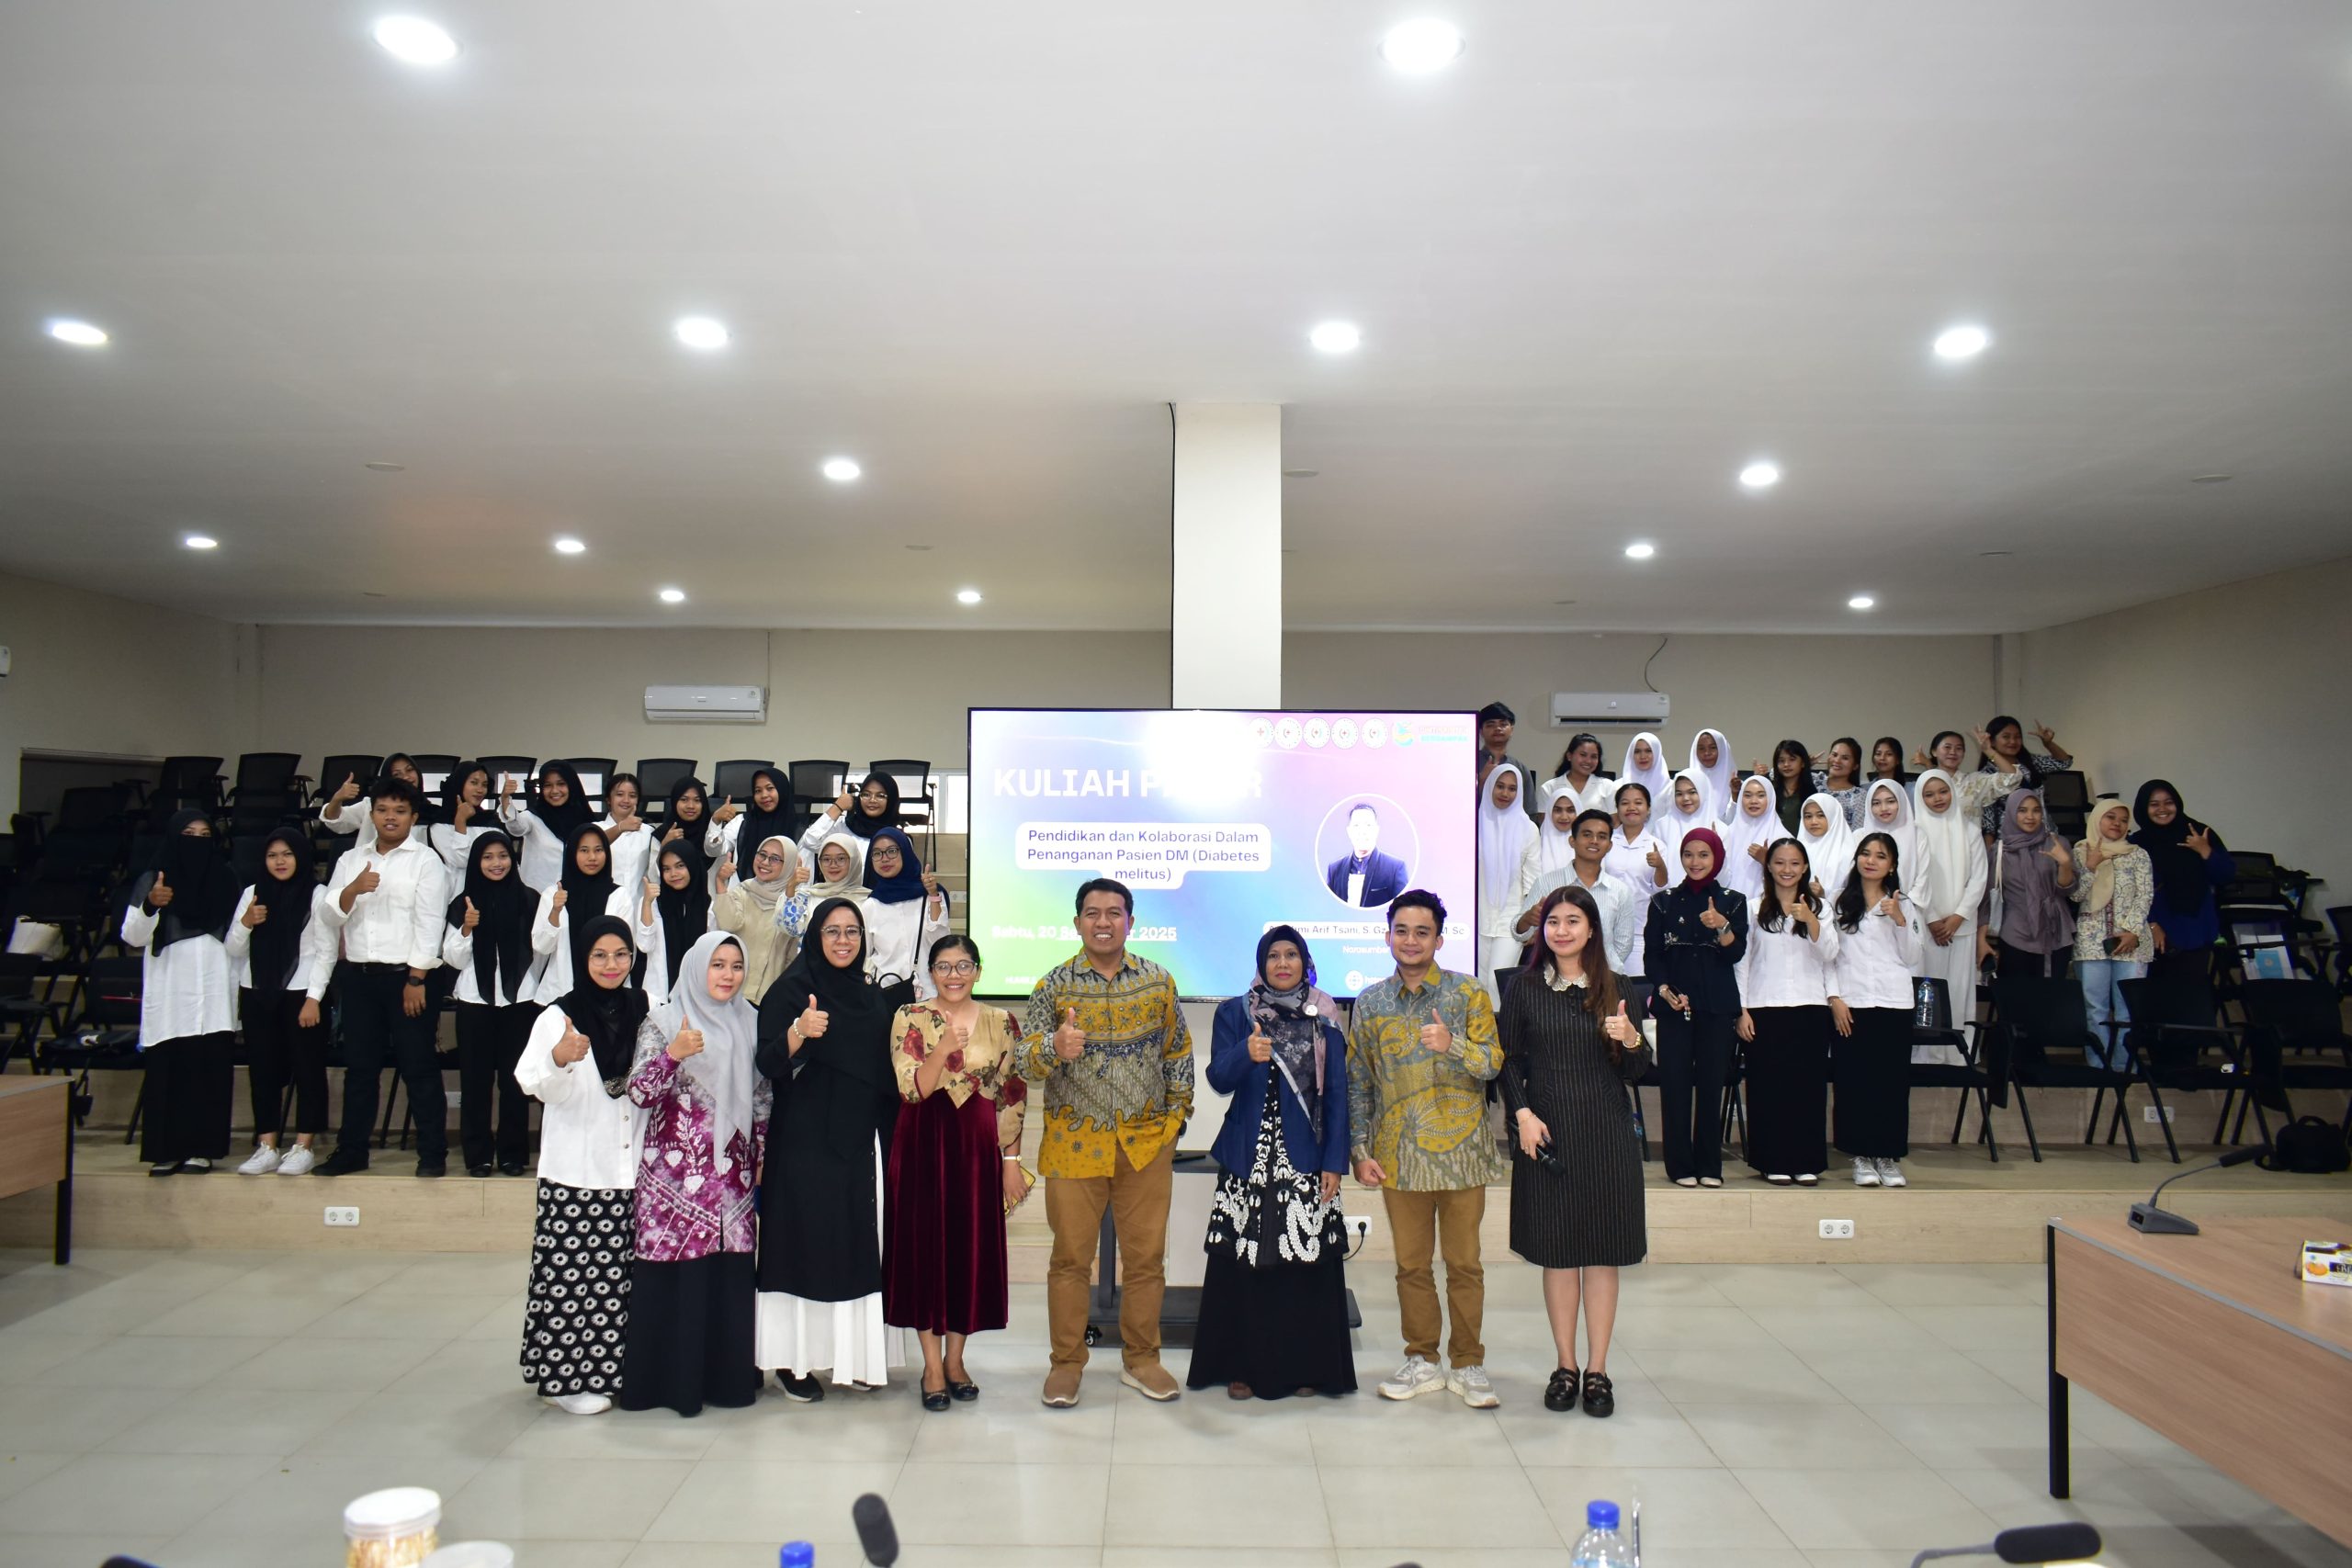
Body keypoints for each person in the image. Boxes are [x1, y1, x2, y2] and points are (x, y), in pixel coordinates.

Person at [1019, 878, 1193, 1407]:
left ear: (1130, 922)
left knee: (1146, 1261)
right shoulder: (1053, 986)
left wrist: (1175, 1120)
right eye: (1092, 913)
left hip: (1146, 1145)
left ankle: (1142, 1359)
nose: (1103, 922)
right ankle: (1066, 1364)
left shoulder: (1158, 981)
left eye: (1114, 913)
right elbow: (1025, 1063)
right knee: (1071, 1260)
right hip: (1074, 1146)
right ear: (1077, 923)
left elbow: (1178, 1053)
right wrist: (1054, 1046)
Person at [1347, 889, 1505, 1409]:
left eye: (1422, 932)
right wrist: (1359, 1149)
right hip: (1398, 1159)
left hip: (1462, 1158)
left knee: (1465, 1266)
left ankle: (1468, 1363)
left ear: (1439, 939)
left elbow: (1493, 1064)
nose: (1410, 940)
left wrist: (1451, 1044)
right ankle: (1422, 1360)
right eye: (1402, 931)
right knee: (1411, 1268)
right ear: (1388, 936)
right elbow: (1359, 1082)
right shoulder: (1370, 1002)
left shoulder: (1468, 993)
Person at [1500, 885, 1652, 1417]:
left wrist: (1630, 1037)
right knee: (1559, 1253)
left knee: (1602, 1252)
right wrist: (1522, 1114)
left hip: (1606, 1134)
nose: (1561, 931)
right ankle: (1565, 1366)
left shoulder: (1618, 986)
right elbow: (1507, 1060)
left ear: (1591, 929)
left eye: (1572, 921)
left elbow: (1639, 1069)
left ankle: (1598, 1370)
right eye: (1553, 922)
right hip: (1547, 1133)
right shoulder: (1524, 988)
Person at [1190, 927, 1355, 1401]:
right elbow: (1219, 1078)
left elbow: (1337, 1093)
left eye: (1292, 955)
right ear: (1261, 963)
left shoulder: (1325, 1015)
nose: (1282, 963)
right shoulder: (1235, 1013)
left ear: (1305, 962)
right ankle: (1242, 1367)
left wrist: (1334, 1162)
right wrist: (1246, 1054)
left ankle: (1305, 1368)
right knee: (1244, 1266)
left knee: (1304, 1267)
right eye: (1274, 956)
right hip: (1249, 1157)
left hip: (1306, 1157)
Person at [754, 897, 910, 1397]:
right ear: (815, 936)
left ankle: (854, 1358)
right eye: (832, 931)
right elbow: (767, 1064)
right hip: (805, 1143)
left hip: (861, 1142)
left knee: (856, 1248)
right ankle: (793, 1363)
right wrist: (798, 1033)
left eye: (852, 931)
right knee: (803, 1247)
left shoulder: (871, 996)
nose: (844, 941)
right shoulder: (790, 991)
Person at [621, 931, 769, 1416]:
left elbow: (762, 1095)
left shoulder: (751, 1021)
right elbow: (639, 1092)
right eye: (717, 965)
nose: (728, 975)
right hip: (673, 1179)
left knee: (727, 1281)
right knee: (678, 1282)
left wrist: (762, 1150)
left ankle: (727, 1383)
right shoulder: (664, 1021)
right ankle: (670, 1387)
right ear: (696, 967)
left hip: (732, 1181)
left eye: (736, 966)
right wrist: (675, 1053)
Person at [885, 935, 1031, 1410]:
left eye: (963, 965)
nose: (954, 975)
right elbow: (912, 1090)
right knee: (924, 1250)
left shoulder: (1001, 1020)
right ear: (931, 972)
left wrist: (1011, 1162)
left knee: (967, 1249)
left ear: (978, 971)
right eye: (944, 966)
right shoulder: (909, 1016)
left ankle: (956, 1360)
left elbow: (1012, 1095)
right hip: (922, 1143)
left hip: (974, 1147)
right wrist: (943, 1047)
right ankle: (931, 1366)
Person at [514, 915, 646, 1416]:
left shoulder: (645, 1007)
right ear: (583, 958)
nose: (612, 965)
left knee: (622, 1282)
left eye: (621, 954)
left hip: (633, 1168)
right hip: (578, 1169)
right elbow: (534, 1083)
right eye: (599, 955)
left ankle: (617, 1372)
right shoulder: (559, 1015)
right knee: (575, 1280)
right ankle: (567, 1380)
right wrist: (560, 1057)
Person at [317, 778, 452, 1177]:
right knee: (360, 1070)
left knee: (418, 1067)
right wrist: (352, 890)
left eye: (399, 811)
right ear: (372, 814)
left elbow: (430, 923)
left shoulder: (426, 861)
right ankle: (352, 1152)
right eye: (382, 810)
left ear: (413, 817)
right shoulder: (351, 859)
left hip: (407, 978)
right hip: (358, 977)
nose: (390, 817)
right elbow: (328, 915)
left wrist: (416, 980)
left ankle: (433, 1154)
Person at [122, 810, 240, 1177]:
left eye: (205, 835)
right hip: (171, 994)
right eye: (189, 833)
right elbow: (132, 936)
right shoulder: (154, 880)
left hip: (215, 993)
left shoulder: (226, 877)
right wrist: (151, 905)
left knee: (209, 1073)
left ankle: (202, 1151)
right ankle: (165, 1151)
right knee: (168, 1073)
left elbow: (237, 939)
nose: (197, 841)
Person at [224, 827, 334, 1176]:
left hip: (303, 994)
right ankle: (267, 1146)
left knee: (308, 1068)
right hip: (257, 991)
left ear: (300, 856)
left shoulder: (318, 894)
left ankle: (303, 1146)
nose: (280, 861)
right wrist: (246, 923)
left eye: (287, 854)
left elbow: (326, 953)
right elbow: (233, 948)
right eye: (272, 855)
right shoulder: (252, 893)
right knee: (263, 1071)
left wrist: (314, 999)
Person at [1643, 827, 1747, 1189]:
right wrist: (1663, 989)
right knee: (1674, 1086)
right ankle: (1680, 1167)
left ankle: (1710, 1166)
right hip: (1674, 1006)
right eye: (1689, 854)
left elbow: (1736, 953)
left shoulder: (1733, 901)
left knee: (1710, 1085)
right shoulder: (1663, 901)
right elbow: (1653, 955)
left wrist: (1722, 926)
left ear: (1717, 858)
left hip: (1717, 1007)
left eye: (1704, 854)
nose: (1695, 861)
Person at [1736, 840, 1838, 1185]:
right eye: (1779, 862)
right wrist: (1741, 1009)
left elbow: (1830, 953)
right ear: (1768, 866)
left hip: (1810, 1007)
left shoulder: (1820, 908)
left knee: (1807, 1089)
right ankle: (1772, 1160)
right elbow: (1742, 962)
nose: (1787, 869)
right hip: (1765, 1008)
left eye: (1795, 863)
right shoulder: (1753, 908)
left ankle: (1806, 1160)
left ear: (1805, 867)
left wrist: (1810, 920)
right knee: (1768, 1088)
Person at [443, 831, 544, 1176]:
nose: (496, 863)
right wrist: (466, 929)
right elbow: (453, 959)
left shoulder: (529, 899)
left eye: (502, 856)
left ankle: (513, 1154)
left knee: (515, 1081)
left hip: (521, 999)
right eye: (487, 857)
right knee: (475, 1080)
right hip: (475, 1000)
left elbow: (543, 947)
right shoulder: (463, 903)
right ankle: (478, 1155)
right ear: (476, 862)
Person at [1828, 832, 1925, 1189]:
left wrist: (1899, 920)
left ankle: (1887, 1155)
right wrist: (1834, 998)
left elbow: (1913, 956)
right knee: (1853, 1083)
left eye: (1880, 856)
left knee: (1891, 1084)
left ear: (1892, 865)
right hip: (1851, 1004)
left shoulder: (1903, 903)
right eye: (1865, 854)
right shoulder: (1838, 901)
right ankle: (1859, 1155)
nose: (1871, 861)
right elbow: (1828, 956)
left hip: (1893, 1003)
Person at [1909, 770, 1989, 1059]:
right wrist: (1932, 918)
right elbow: (1915, 879)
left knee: (1957, 990)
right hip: (1925, 926)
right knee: (1927, 993)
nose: (1937, 799)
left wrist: (1957, 917)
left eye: (1942, 791)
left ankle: (1958, 1057)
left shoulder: (1970, 830)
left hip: (1961, 928)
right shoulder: (1914, 832)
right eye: (1929, 794)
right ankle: (1926, 1056)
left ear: (1952, 792)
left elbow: (1979, 879)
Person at [2072, 798, 2155, 1067]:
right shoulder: (2080, 850)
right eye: (2111, 817)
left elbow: (2145, 895)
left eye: (2123, 820)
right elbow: (2075, 895)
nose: (2117, 824)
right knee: (2094, 1008)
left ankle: (2123, 1067)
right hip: (2091, 940)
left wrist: (2132, 931)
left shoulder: (2138, 854)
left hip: (2132, 941)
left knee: (2127, 1009)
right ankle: (2099, 1067)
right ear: (2097, 818)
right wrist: (2090, 866)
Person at [2130, 780, 2235, 986]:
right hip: (2154, 929)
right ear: (2143, 808)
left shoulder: (2198, 833)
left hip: (2195, 927)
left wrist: (2205, 851)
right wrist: (2151, 924)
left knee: (2192, 991)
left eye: (2168, 802)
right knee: (2157, 994)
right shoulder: (2137, 844)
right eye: (2154, 804)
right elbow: (2131, 891)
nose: (2162, 809)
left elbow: (2226, 876)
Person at [1515, 808, 1636, 976]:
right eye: (1587, 835)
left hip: (1603, 977)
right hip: (1554, 978)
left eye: (1602, 837)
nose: (1594, 841)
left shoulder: (1620, 890)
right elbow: (1519, 933)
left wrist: (1600, 969)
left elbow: (1624, 943)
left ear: (1609, 846)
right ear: (1572, 841)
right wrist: (1527, 919)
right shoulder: (1546, 883)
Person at [710, 835, 808, 1004]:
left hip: (770, 995)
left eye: (775, 859)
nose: (765, 862)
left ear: (789, 865)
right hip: (734, 990)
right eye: (762, 854)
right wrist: (720, 883)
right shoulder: (743, 891)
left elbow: (792, 956)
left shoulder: (794, 903)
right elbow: (728, 924)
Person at [530, 823, 620, 1003]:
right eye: (584, 850)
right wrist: (555, 911)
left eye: (598, 850)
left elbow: (624, 951)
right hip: (559, 994)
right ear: (572, 854)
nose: (592, 857)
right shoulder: (552, 894)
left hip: (606, 996)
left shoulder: (618, 895)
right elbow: (542, 947)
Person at [1994, 792, 2077, 981]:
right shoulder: (2000, 851)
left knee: (2052, 995)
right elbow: (1988, 897)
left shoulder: (2057, 843)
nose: (2030, 817)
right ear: (2011, 813)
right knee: (2019, 995)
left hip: (2055, 931)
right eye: (2022, 811)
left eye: (2036, 810)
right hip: (2016, 932)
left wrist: (2065, 864)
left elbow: (2067, 891)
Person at [861, 827, 952, 997]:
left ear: (905, 852)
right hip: (886, 993)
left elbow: (942, 943)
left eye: (892, 851)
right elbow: (864, 955)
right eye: (877, 853)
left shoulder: (931, 895)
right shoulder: (870, 905)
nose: (884, 859)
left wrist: (933, 895)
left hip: (929, 993)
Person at [1476, 764, 1536, 995]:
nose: (1505, 793)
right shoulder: (1474, 823)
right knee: (1477, 983)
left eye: (1512, 788)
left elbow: (1533, 881)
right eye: (1500, 786)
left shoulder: (1528, 829)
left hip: (1511, 921)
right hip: (1477, 918)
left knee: (1497, 983)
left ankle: (1500, 1021)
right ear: (1489, 786)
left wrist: (1530, 925)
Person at [1603, 783, 1670, 979]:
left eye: (1638, 803)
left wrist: (1660, 866)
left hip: (1639, 930)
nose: (1631, 807)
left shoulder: (1657, 845)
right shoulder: (1606, 841)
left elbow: (1661, 889)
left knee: (1636, 986)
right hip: (1605, 928)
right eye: (1625, 803)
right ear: (1617, 809)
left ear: (1648, 809)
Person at [502, 761, 595, 892]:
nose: (554, 791)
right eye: (548, 785)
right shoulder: (533, 816)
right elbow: (516, 827)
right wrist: (505, 798)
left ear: (571, 785)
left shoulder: (586, 820)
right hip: (536, 897)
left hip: (575, 895)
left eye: (561, 784)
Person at [638, 842, 712, 1006]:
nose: (673, 874)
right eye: (666, 869)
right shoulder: (653, 903)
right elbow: (644, 946)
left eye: (680, 866)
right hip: (659, 997)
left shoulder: (708, 906)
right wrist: (647, 904)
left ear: (692, 865)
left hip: (697, 997)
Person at [1975, 717, 2071, 838]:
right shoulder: (1987, 774)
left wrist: (2048, 743)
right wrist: (1989, 848)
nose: (2013, 741)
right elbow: (1988, 821)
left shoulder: (2029, 762)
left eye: (2017, 737)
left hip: (2045, 833)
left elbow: (2064, 762)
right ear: (1992, 741)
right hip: (2012, 840)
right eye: (2006, 737)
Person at [797, 771, 902, 872]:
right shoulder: (843, 827)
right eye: (866, 794)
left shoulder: (898, 838)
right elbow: (810, 841)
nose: (872, 800)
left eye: (880, 796)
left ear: (891, 800)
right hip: (844, 886)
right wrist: (838, 806)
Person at [318, 752, 426, 850]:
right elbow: (335, 820)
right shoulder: (370, 805)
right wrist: (337, 799)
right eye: (396, 774)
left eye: (409, 770)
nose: (406, 777)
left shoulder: (432, 812)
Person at [711, 766, 794, 883]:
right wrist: (715, 820)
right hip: (744, 891)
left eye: (770, 788)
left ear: (782, 790)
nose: (764, 795)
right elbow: (714, 850)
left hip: (785, 892)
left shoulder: (799, 828)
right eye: (758, 791)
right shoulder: (742, 821)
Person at [1325, 802, 1409, 908]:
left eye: (1368, 825)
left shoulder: (1395, 867)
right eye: (1356, 825)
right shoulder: (1334, 869)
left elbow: (1402, 908)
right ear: (1349, 831)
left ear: (1376, 830)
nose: (1362, 831)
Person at [1716, 774, 1781, 900]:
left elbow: (1789, 878)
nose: (1753, 801)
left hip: (1765, 905)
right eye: (1747, 795)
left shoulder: (1782, 838)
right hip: (1730, 904)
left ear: (1771, 798)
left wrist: (1767, 861)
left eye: (1761, 795)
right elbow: (1721, 878)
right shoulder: (1728, 833)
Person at [428, 761, 501, 874]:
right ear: (459, 784)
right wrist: (460, 821)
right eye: (474, 783)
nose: (480, 790)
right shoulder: (440, 824)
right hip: (459, 885)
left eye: (484, 785)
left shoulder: (490, 821)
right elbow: (462, 861)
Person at [1476, 701, 1541, 822]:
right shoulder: (1468, 763)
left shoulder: (1519, 768)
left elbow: (1530, 812)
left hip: (1513, 830)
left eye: (1503, 724)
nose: (1497, 728)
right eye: (1491, 725)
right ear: (1480, 731)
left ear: (1511, 730)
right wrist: (1481, 782)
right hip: (1476, 829)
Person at [598, 773, 660, 895]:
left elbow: (655, 873)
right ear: (609, 799)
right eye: (619, 794)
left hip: (639, 903)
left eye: (632, 796)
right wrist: (620, 827)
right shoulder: (595, 829)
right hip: (606, 902)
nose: (626, 800)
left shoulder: (649, 832)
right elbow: (594, 845)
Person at [656, 775, 716, 885]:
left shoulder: (714, 835)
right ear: (674, 802)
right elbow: (653, 876)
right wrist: (664, 845)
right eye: (684, 800)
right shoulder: (662, 834)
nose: (691, 806)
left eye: (697, 800)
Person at [1655, 768, 1715, 876]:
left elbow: (1725, 877)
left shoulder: (1719, 829)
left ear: (1703, 792)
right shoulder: (1662, 826)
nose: (1685, 798)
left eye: (1692, 792)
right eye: (1679, 794)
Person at [1795, 794, 1852, 901]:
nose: (1814, 822)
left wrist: (1824, 893)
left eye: (1821, 815)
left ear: (1833, 816)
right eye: (1808, 816)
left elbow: (1853, 891)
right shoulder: (1797, 849)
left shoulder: (1848, 852)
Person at [1549, 732, 1609, 812]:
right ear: (1569, 756)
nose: (1588, 761)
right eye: (1583, 755)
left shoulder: (1608, 787)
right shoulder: (1550, 788)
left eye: (1594, 757)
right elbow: (1546, 819)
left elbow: (1614, 819)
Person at [1764, 740, 1814, 835]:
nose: (1786, 764)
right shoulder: (1770, 790)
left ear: (1803, 763)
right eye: (1781, 761)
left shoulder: (1811, 793)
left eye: (1792, 759)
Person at [1816, 737, 1867, 827]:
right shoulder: (1815, 780)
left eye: (1845, 758)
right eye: (1834, 755)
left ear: (1855, 765)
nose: (1837, 761)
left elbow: (1858, 831)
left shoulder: (1859, 796)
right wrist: (1805, 764)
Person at [1617, 731, 1671, 815]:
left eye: (1648, 751)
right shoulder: (1617, 786)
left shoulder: (1671, 788)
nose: (1643, 756)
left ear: (1657, 752)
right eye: (1637, 751)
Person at [1689, 728, 1736, 821]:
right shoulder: (1684, 786)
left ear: (1723, 750)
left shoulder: (1738, 788)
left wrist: (1735, 797)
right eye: (1701, 749)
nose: (1707, 753)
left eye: (1713, 747)